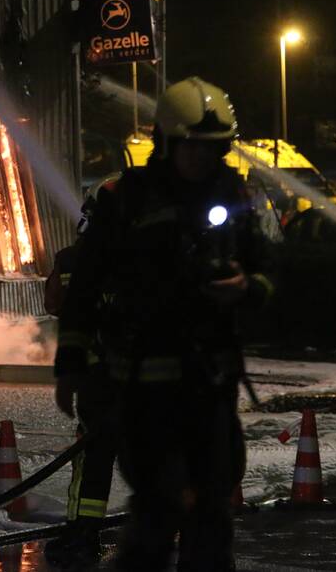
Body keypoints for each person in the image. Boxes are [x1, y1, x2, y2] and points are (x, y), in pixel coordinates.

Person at [55, 77, 274, 571]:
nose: (204, 160)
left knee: (212, 512)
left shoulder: (236, 197)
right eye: (194, 148)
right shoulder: (124, 200)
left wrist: (248, 287)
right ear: (168, 142)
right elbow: (83, 287)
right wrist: (70, 365)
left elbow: (272, 270)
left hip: (210, 386)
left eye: (215, 149)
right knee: (160, 507)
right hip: (142, 389)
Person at [44, 176, 123, 568]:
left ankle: (83, 533)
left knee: (92, 461)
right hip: (151, 383)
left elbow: (54, 304)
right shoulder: (160, 261)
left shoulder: (75, 259)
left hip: (98, 383)